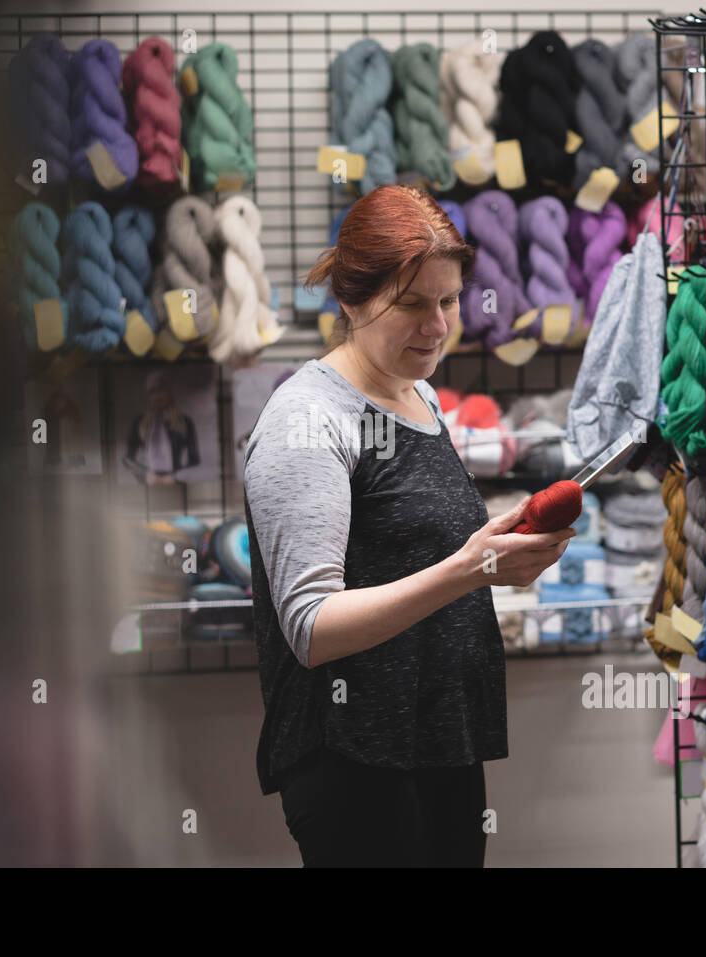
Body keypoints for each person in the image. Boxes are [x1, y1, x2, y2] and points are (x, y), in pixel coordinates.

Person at [242, 184, 576, 867]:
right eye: (413, 304)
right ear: (351, 299)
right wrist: (473, 567)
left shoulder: (415, 395)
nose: (438, 326)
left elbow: (409, 545)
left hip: (436, 742)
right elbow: (310, 625)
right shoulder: (307, 419)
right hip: (355, 759)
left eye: (449, 300)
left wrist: (496, 545)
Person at [124, 369, 199, 484]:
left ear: (169, 392)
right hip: (148, 482)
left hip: (175, 483)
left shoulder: (184, 422)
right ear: (148, 395)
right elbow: (128, 459)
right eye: (152, 392)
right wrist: (144, 474)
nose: (157, 395)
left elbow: (194, 460)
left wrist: (176, 476)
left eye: (161, 390)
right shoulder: (139, 422)